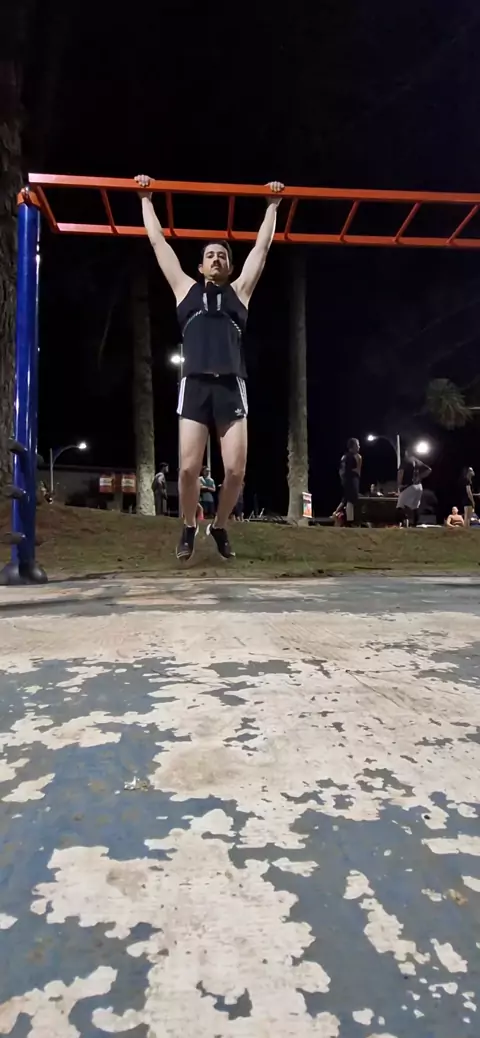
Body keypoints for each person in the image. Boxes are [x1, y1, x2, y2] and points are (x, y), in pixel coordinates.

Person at [135, 174, 284, 561]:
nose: (217, 259)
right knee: (187, 470)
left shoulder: (240, 294)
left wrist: (272, 206)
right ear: (200, 266)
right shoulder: (185, 291)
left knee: (235, 471)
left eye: (223, 256)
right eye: (211, 256)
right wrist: (146, 198)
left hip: (231, 385)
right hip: (195, 384)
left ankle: (219, 526)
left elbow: (262, 249)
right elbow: (158, 243)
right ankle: (188, 526)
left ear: (230, 267)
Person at [396, 450, 432, 527]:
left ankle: (404, 523)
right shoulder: (417, 461)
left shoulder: (405, 461)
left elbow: (401, 472)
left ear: (406, 453)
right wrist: (420, 477)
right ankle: (415, 524)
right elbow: (429, 470)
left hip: (409, 485)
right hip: (419, 486)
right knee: (414, 507)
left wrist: (399, 485)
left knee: (400, 506)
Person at [339, 438, 362, 526]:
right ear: (353, 446)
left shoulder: (345, 456)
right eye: (357, 445)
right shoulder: (352, 457)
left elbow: (341, 470)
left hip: (346, 479)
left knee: (347, 499)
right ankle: (349, 521)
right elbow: (357, 470)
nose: (359, 446)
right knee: (351, 499)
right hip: (351, 479)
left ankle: (347, 518)